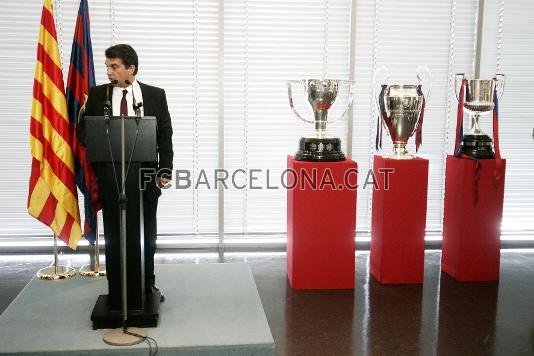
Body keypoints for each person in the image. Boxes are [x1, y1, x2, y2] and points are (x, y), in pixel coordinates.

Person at [80, 44, 173, 310]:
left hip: (144, 174)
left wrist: (164, 169)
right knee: (115, 233)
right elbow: (85, 135)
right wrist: (84, 117)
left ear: (131, 68)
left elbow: (165, 134)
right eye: (107, 66)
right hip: (111, 175)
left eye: (114, 66)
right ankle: (117, 289)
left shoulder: (155, 95)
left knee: (146, 232)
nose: (109, 71)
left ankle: (147, 285)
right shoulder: (97, 95)